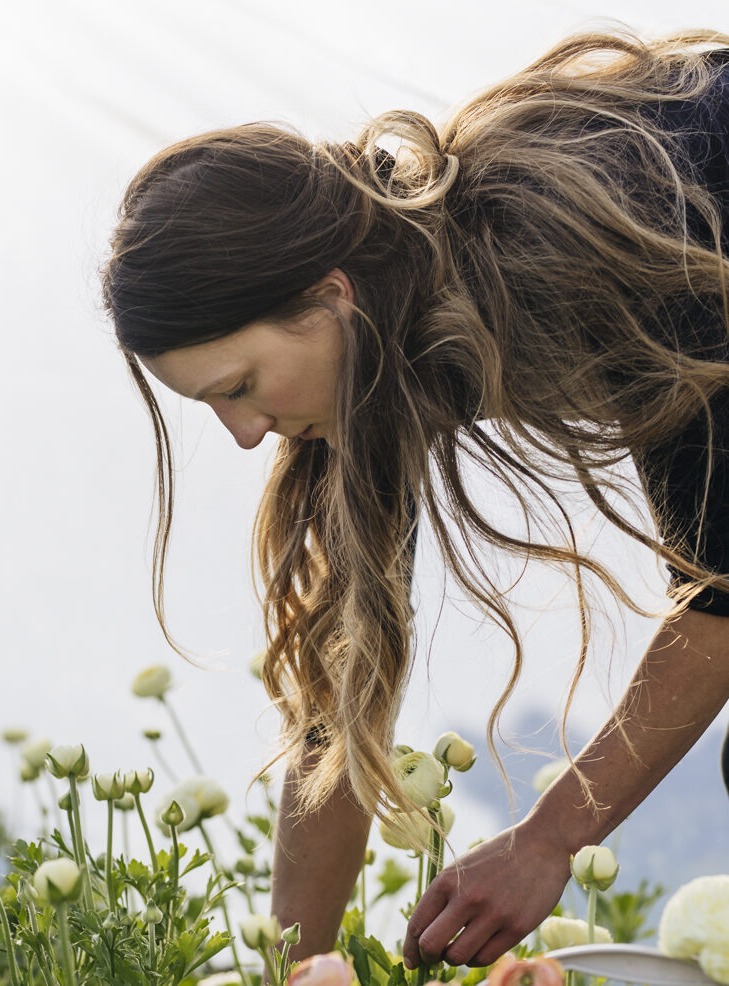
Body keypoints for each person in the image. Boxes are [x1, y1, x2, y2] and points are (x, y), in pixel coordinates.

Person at [102, 30, 729, 969]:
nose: (241, 434)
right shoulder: (378, 359)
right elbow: (335, 700)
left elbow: (723, 589)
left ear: (327, 298)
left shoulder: (609, 237)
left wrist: (549, 837)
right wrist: (299, 966)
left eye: (238, 385)